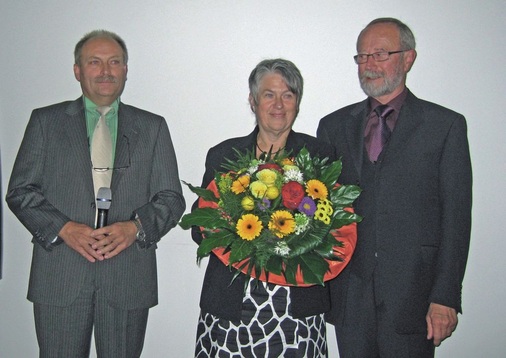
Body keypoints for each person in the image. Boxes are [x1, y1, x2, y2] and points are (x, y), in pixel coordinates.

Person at [6, 30, 185, 357]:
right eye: (95, 62)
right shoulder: (45, 122)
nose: (106, 71)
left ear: (126, 69)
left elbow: (171, 199)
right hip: (60, 275)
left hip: (128, 276)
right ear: (78, 70)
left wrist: (135, 228)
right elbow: (20, 191)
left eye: (114, 62)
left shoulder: (152, 127)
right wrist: (64, 228)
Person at [317, 18, 472, 357]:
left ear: (408, 58)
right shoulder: (332, 127)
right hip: (349, 298)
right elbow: (320, 212)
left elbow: (457, 218)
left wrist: (445, 296)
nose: (368, 65)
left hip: (415, 296)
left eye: (380, 54)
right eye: (361, 56)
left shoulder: (445, 126)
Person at [192, 58, 335, 357]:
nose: (279, 105)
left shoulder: (321, 155)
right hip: (232, 305)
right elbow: (198, 227)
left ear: (298, 102)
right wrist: (234, 229)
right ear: (253, 101)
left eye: (288, 95)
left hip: (297, 309)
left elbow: (334, 230)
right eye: (269, 94)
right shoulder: (223, 155)